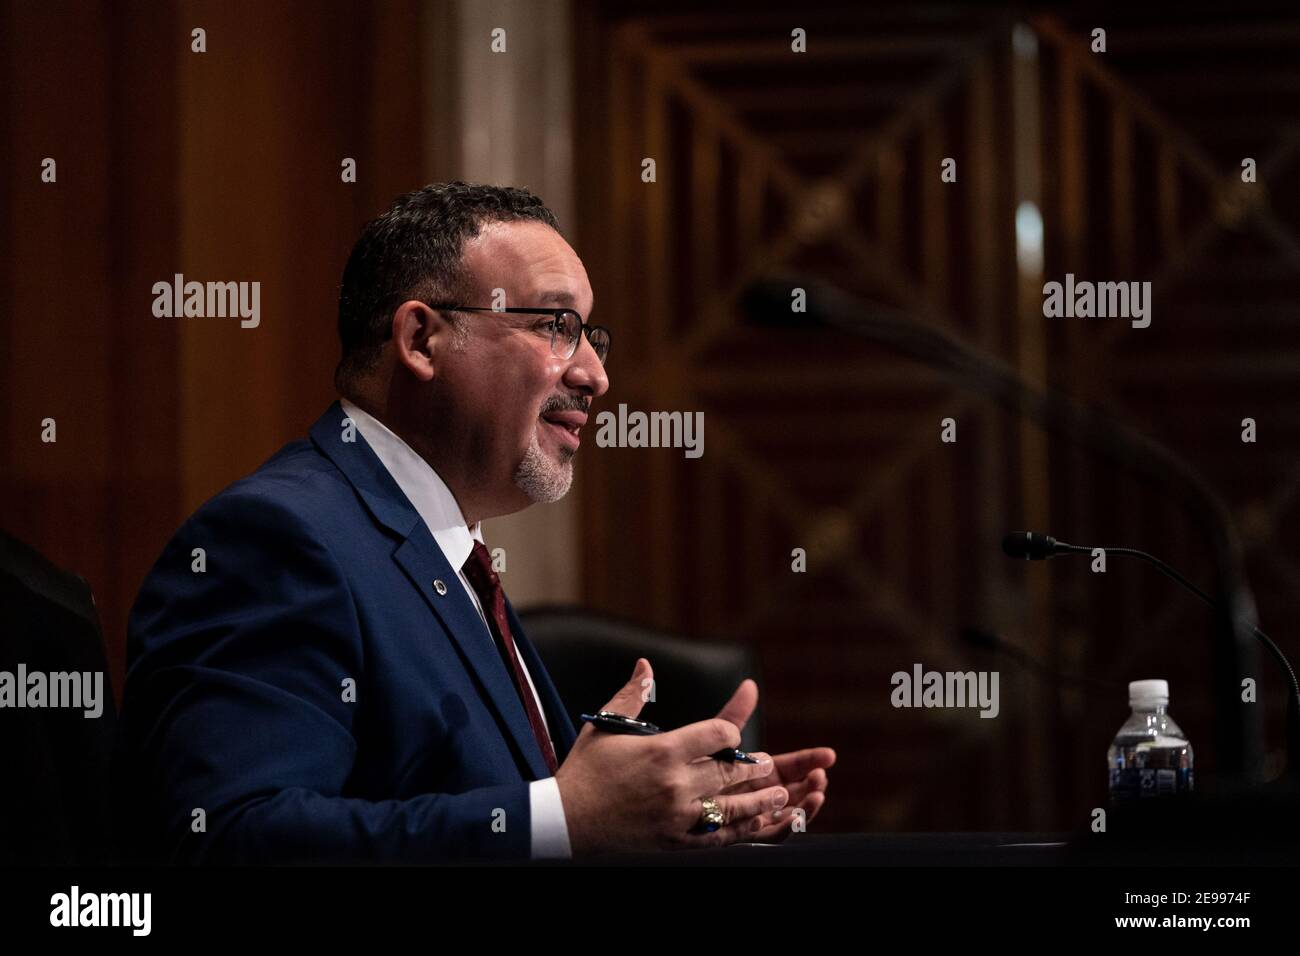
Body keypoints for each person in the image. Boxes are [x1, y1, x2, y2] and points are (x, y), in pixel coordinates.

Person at [114, 182, 836, 862]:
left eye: (592, 337)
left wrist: (690, 815)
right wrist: (565, 816)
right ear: (423, 339)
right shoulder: (278, 539)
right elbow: (228, 838)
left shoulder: (449, 554)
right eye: (557, 326)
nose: (594, 374)